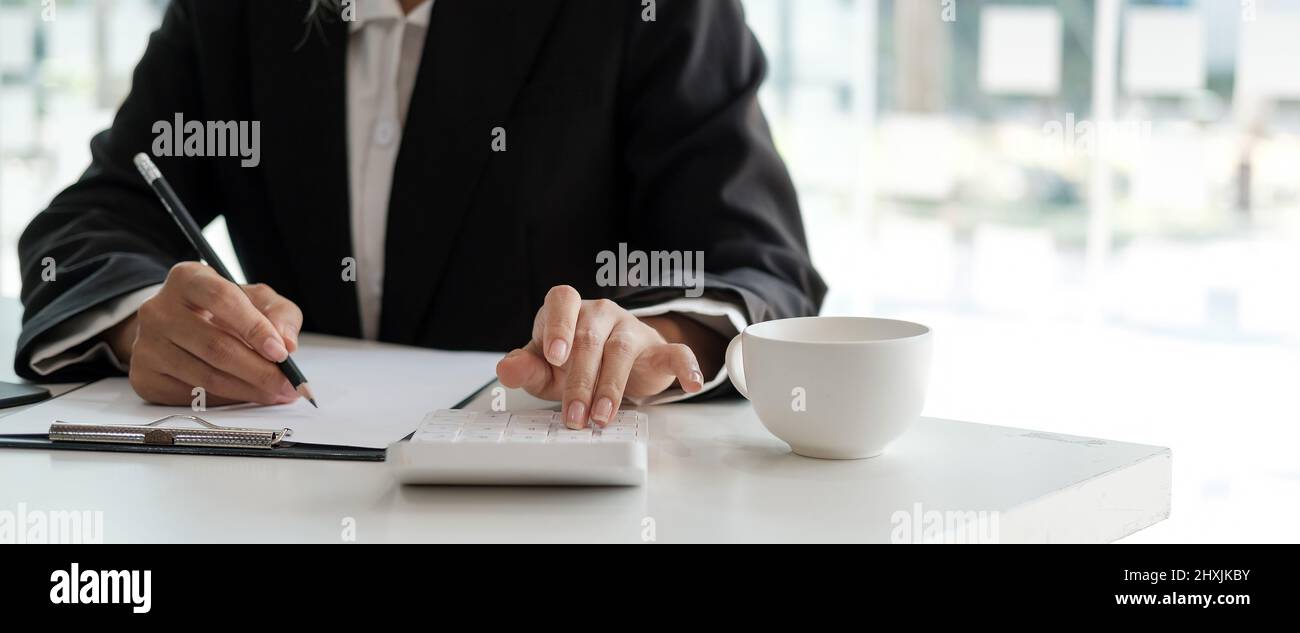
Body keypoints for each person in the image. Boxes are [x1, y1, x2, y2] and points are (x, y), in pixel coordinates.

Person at [15, 0, 824, 429]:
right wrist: (139, 325)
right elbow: (102, 212)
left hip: (562, 503)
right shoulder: (234, 11)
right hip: (275, 497)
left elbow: (760, 260)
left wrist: (664, 338)